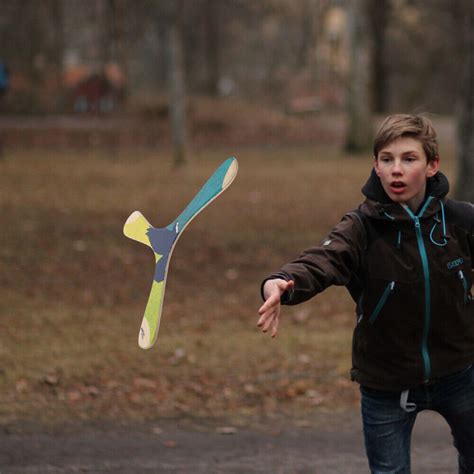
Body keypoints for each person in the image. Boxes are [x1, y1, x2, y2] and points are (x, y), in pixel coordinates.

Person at [257, 114, 474, 473]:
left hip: (459, 372)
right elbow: (323, 259)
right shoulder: (360, 228)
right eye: (386, 160)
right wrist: (281, 281)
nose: (396, 170)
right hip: (386, 382)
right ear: (375, 165)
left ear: (432, 165)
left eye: (409, 159)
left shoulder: (460, 221)